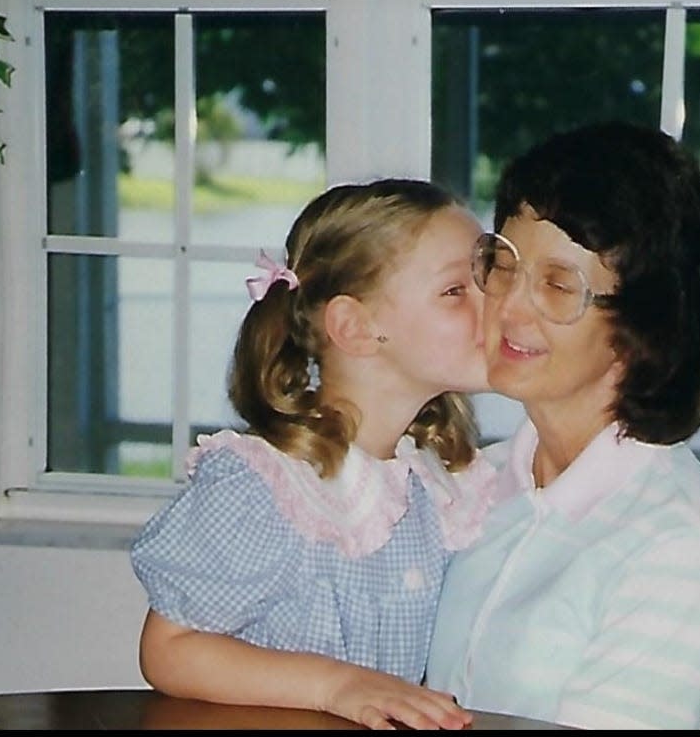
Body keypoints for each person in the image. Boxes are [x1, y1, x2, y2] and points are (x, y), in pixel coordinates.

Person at [130, 178, 496, 730]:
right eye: (455, 291)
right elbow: (170, 648)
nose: (494, 308)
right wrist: (335, 685)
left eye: (487, 281)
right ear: (355, 327)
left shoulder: (437, 483)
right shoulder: (270, 487)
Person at [425, 121, 700, 730]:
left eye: (557, 285)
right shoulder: (474, 482)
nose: (509, 306)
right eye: (503, 264)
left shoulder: (676, 544)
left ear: (644, 328)